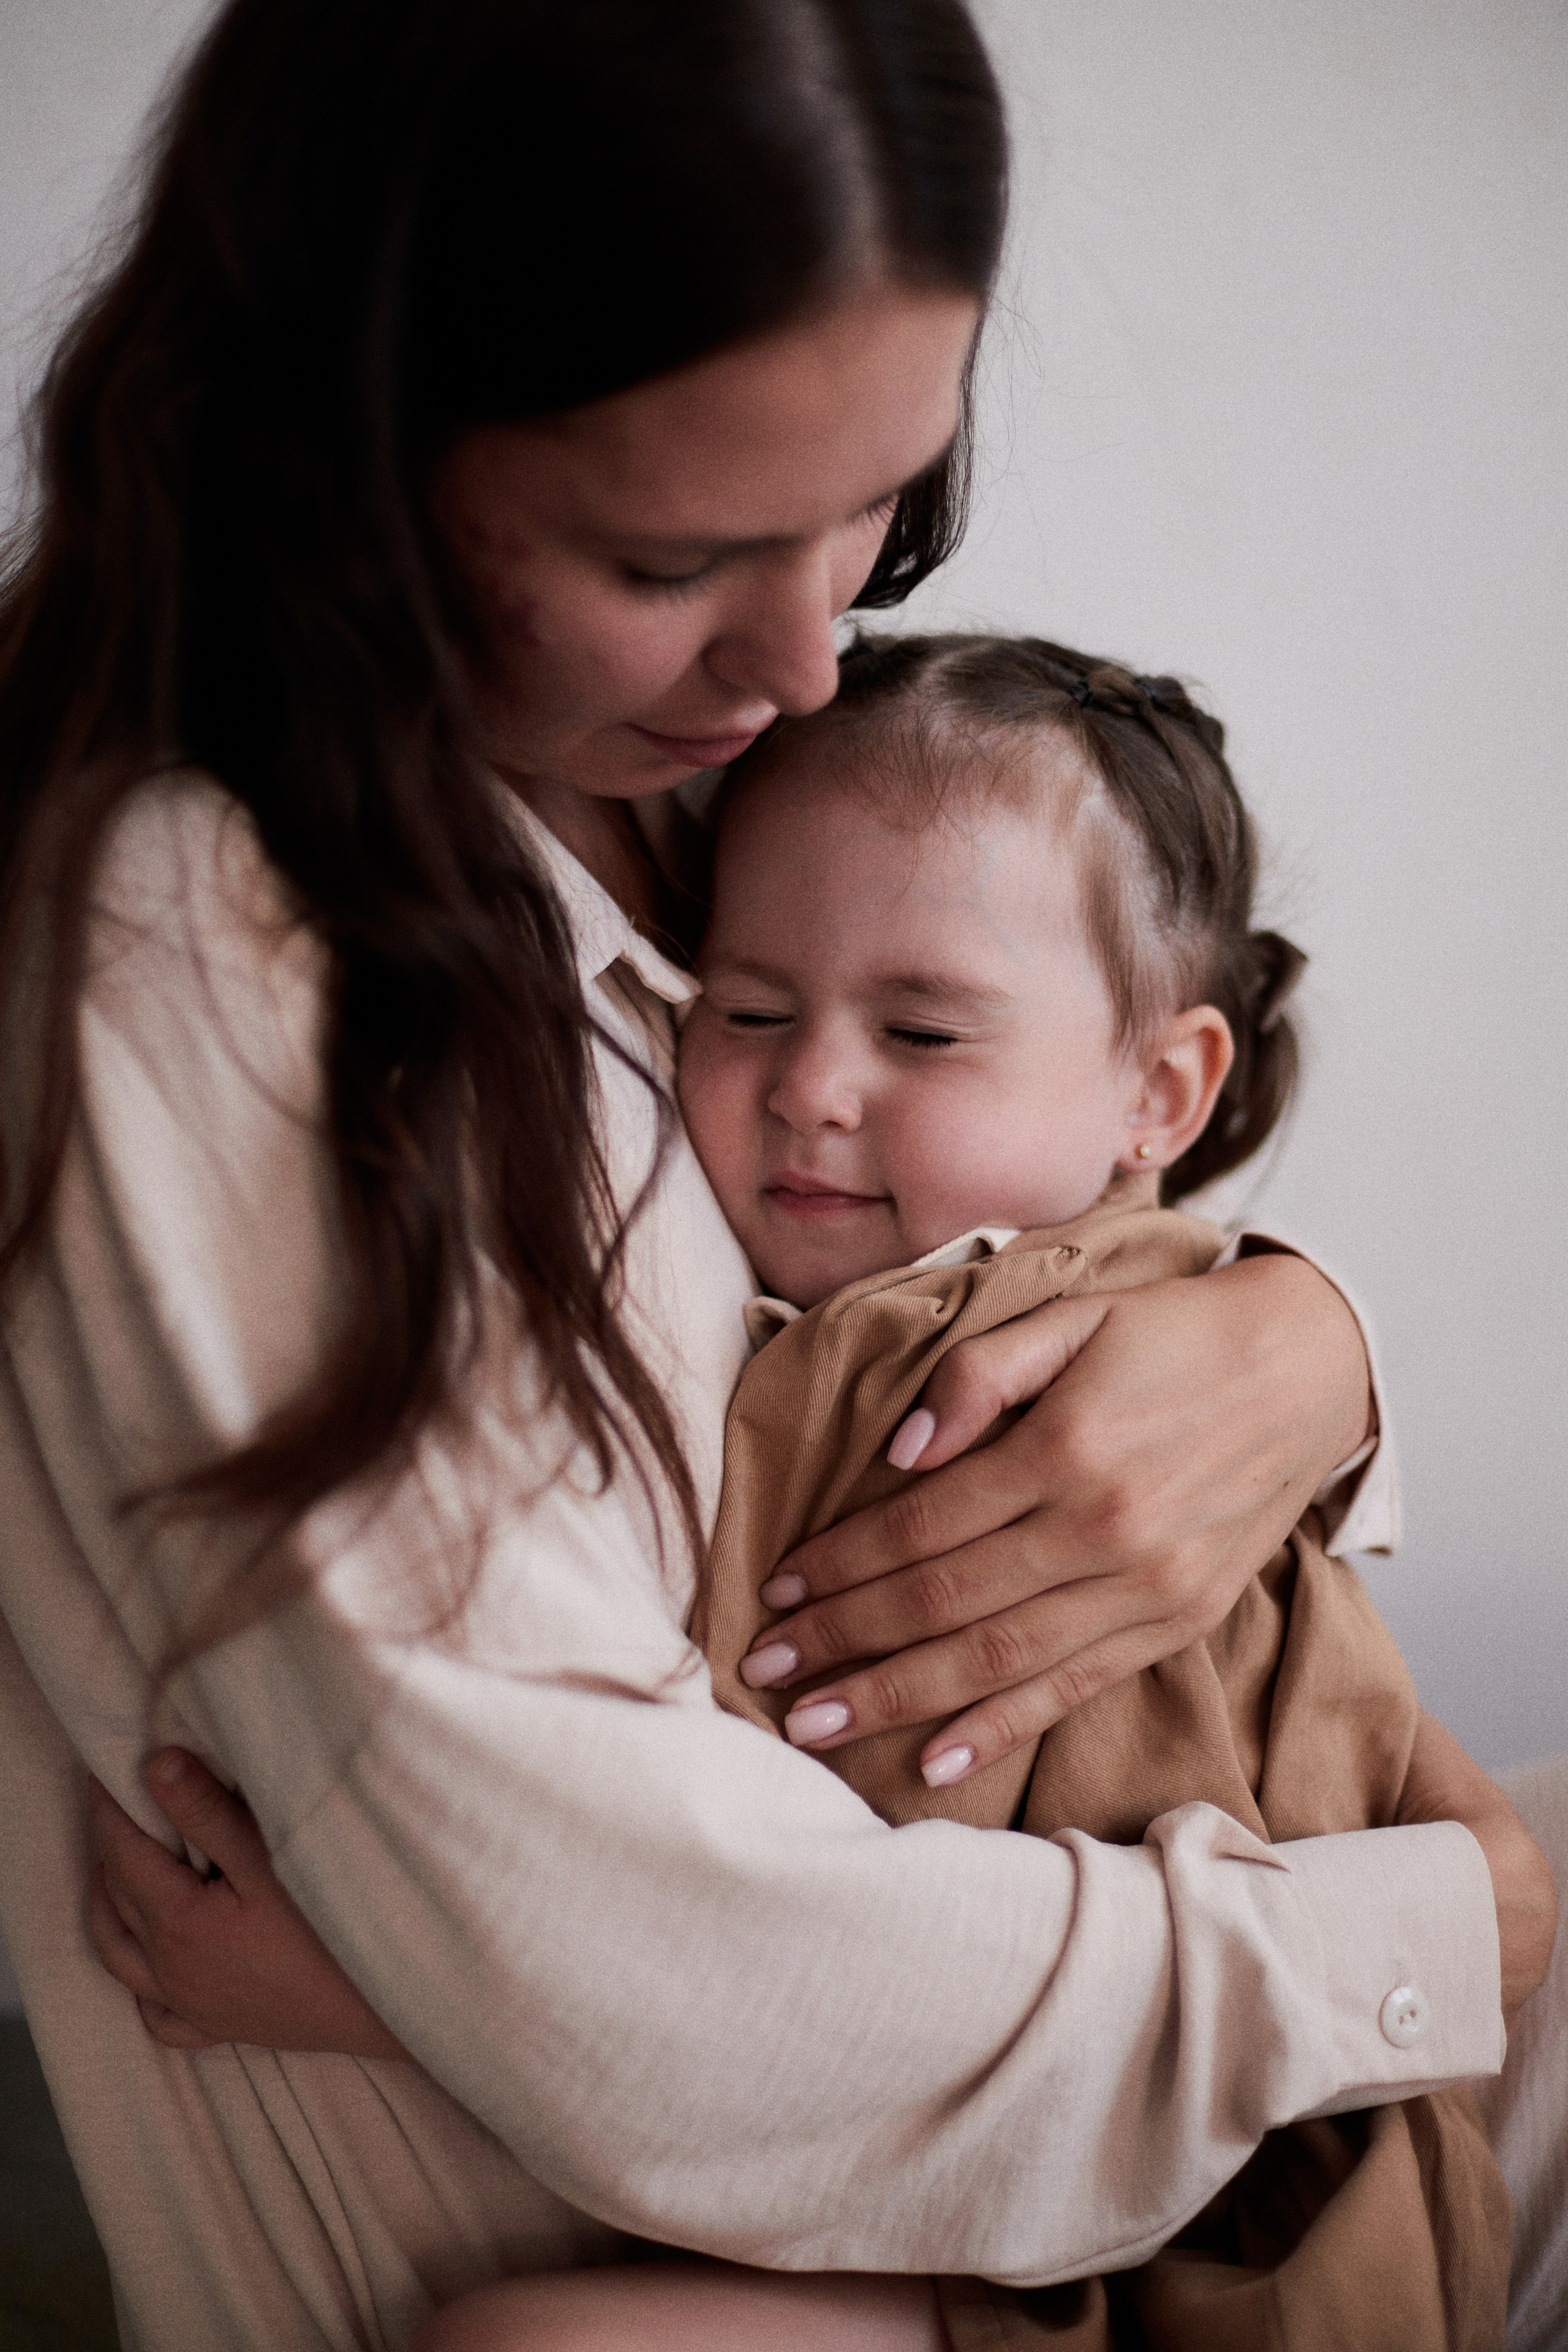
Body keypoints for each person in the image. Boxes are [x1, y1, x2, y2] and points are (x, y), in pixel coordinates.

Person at [0, 4, 1549, 2350]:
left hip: (1131, 2002)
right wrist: (1450, 1932)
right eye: (677, 553)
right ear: (348, 451)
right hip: (785, 2250)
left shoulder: (677, 773)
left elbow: (1061, 1147)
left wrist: (1306, 1354)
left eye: (879, 507)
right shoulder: (207, 945)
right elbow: (673, 2008)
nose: (814, 655)